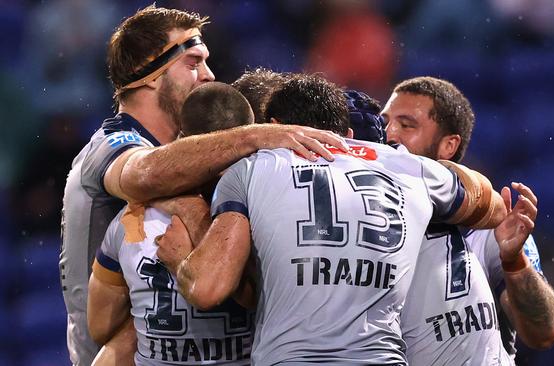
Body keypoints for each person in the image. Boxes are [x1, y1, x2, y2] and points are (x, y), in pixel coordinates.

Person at [59, 6, 347, 366]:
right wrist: (255, 136)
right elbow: (142, 176)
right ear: (147, 73)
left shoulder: (193, 153)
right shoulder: (109, 144)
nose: (209, 75)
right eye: (193, 62)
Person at [156, 74, 508, 364]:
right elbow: (490, 205)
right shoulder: (406, 166)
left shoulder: (251, 170)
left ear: (274, 127)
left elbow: (208, 287)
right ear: (348, 132)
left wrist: (179, 260)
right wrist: (420, 167)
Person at [381, 76, 554, 363]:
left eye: (406, 125)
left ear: (448, 146)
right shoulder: (367, 219)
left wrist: (514, 261)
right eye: (384, 122)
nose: (389, 134)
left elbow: (542, 333)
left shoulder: (492, 225)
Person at [87, 82, 256, 365]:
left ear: (181, 140)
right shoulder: (265, 219)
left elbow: (99, 325)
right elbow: (260, 296)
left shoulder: (131, 220)